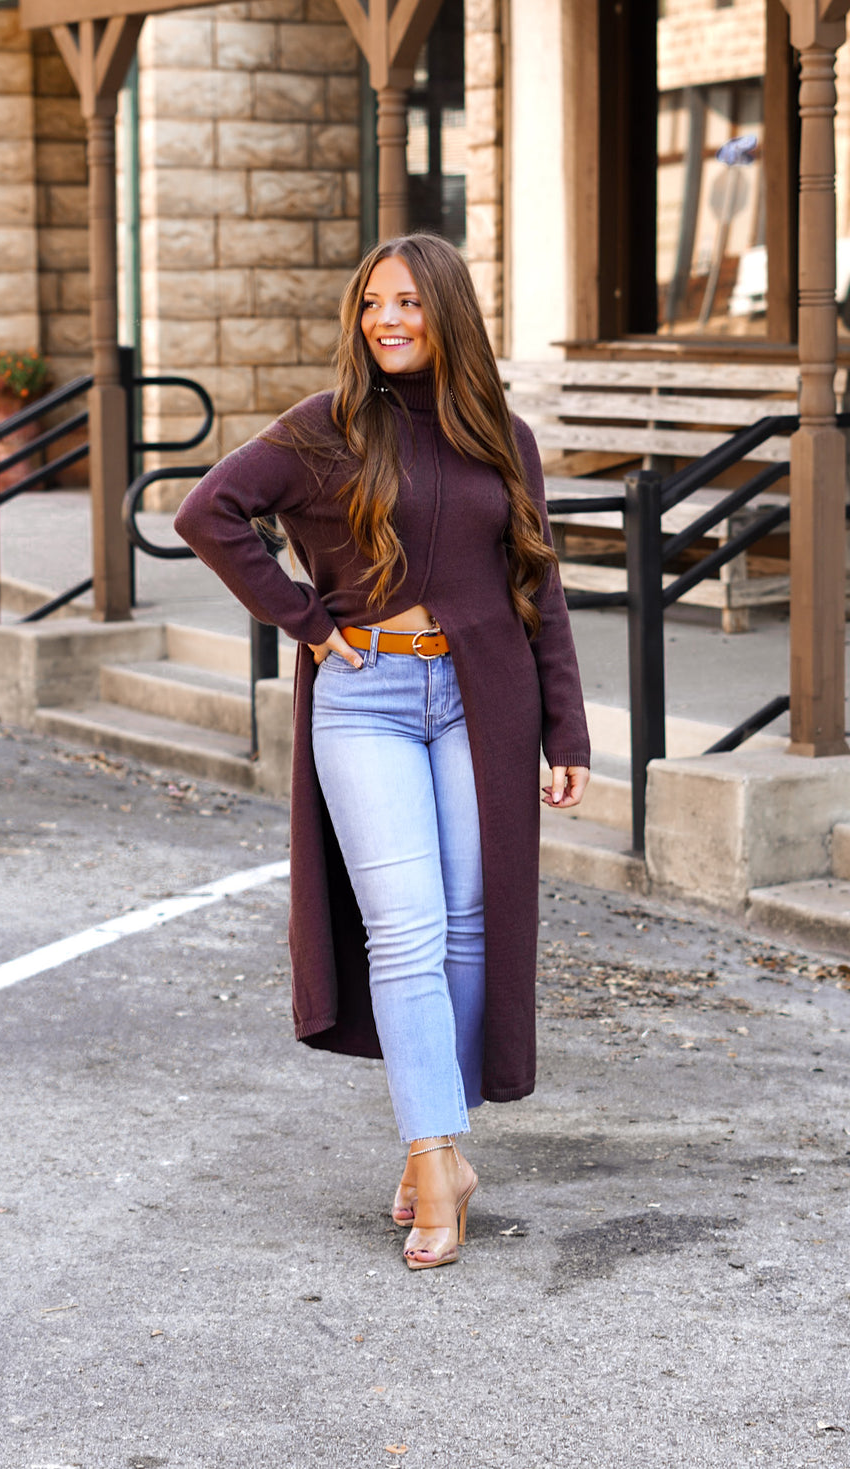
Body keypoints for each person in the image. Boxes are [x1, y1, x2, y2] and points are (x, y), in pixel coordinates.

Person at [175, 233, 590, 1271]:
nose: (387, 320)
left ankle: (431, 1141)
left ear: (446, 311)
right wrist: (306, 619)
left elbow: (538, 583)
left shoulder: (503, 433)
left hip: (480, 698)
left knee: (465, 928)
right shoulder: (325, 429)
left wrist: (565, 726)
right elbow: (208, 510)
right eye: (371, 304)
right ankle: (436, 1153)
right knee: (403, 929)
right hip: (366, 697)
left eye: (407, 302)